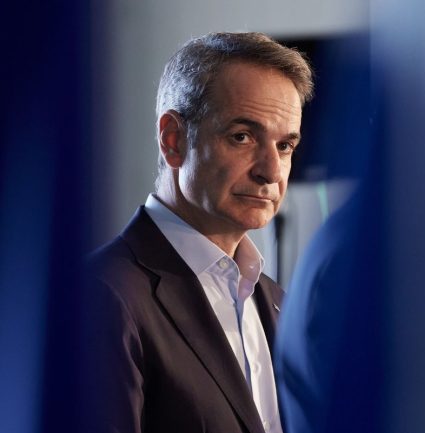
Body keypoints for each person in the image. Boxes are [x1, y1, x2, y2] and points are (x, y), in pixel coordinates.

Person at [84, 32, 313, 433]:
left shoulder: (278, 301)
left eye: (284, 146)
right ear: (173, 140)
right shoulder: (101, 296)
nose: (271, 172)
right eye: (242, 137)